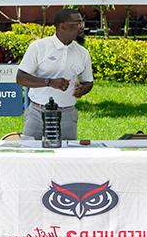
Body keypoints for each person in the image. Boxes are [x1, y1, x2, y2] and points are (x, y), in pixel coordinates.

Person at [16, 9, 94, 140]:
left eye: (82, 23)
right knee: (31, 155)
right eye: (77, 23)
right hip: (37, 113)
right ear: (62, 25)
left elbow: (88, 82)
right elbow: (20, 78)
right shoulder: (39, 47)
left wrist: (83, 90)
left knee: (67, 157)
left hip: (67, 114)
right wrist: (50, 82)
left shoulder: (82, 53)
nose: (81, 27)